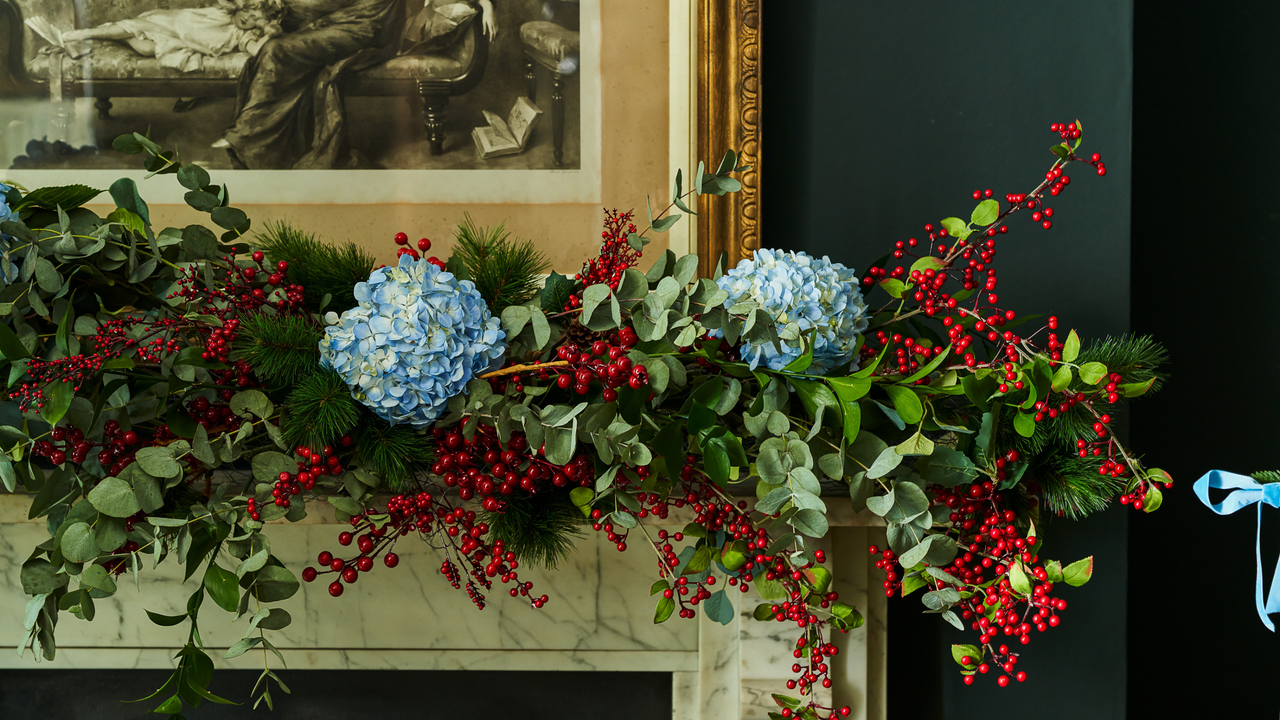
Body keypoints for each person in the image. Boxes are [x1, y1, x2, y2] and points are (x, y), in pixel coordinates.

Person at [216, 0, 497, 169]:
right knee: (275, 48)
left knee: (278, 50)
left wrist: (486, 4)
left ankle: (245, 135)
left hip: (374, 27)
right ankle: (252, 136)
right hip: (344, 18)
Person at [52, 0, 285, 73]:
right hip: (167, 21)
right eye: (248, 11)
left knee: (145, 48)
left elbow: (256, 50)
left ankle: (108, 37)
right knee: (131, 26)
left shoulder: (238, 35)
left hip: (176, 40)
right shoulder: (222, 12)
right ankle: (80, 34)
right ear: (240, 5)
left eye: (256, 19)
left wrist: (270, 34)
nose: (248, 19)